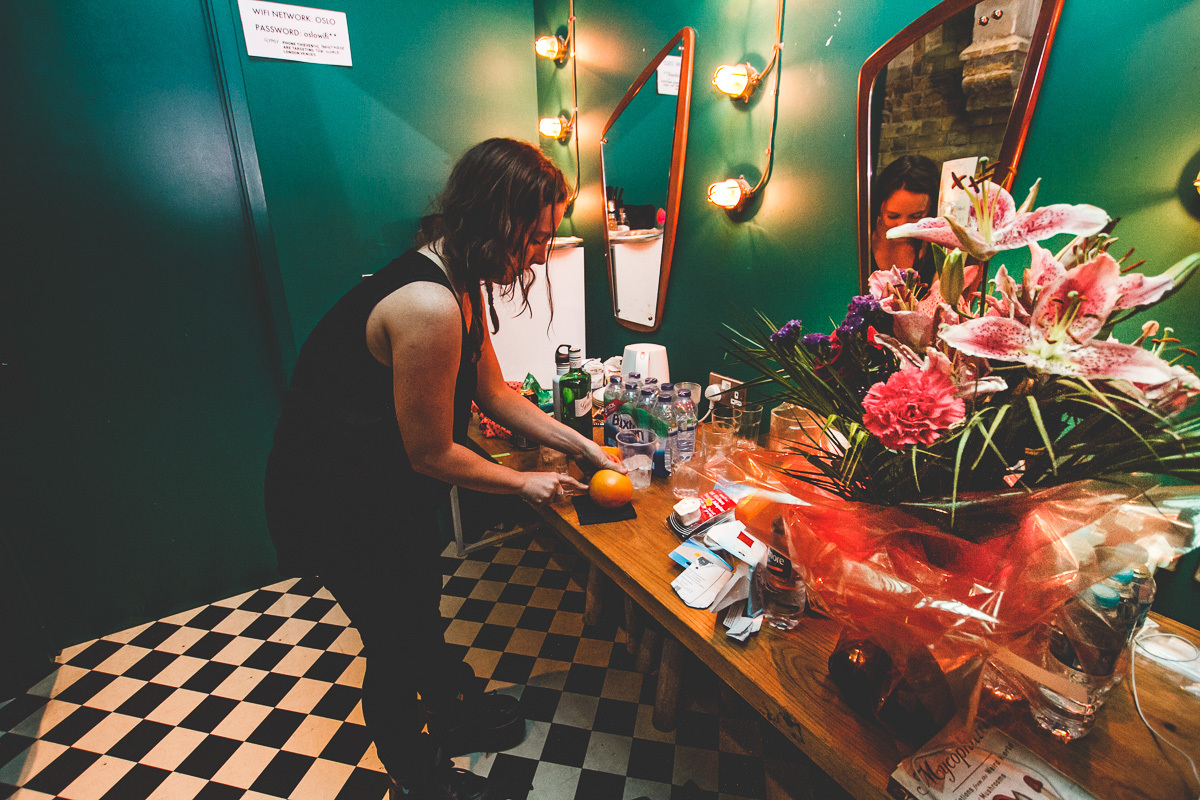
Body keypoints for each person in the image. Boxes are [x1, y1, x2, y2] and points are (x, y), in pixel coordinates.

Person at [264, 138, 620, 800]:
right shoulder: (426, 304)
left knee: (416, 598)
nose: (542, 254)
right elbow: (429, 452)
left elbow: (493, 393)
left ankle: (454, 715)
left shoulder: (461, 279)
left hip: (380, 485)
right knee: (393, 636)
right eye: (535, 238)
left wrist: (580, 445)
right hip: (330, 493)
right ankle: (417, 774)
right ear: (496, 220)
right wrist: (524, 482)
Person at [870, 154, 939, 283]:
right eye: (893, 216)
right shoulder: (859, 241)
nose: (903, 226)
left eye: (916, 216)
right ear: (880, 206)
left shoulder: (934, 248)